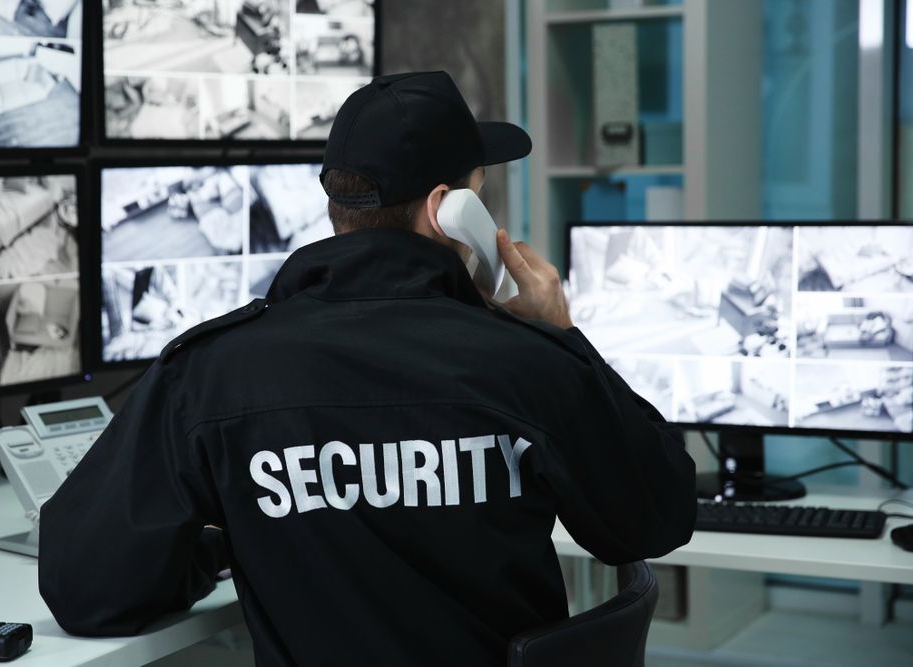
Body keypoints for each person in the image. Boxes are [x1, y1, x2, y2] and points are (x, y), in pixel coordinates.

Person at [39, 71, 696, 666]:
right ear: (450, 212)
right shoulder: (525, 362)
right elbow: (658, 515)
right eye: (479, 194)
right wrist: (563, 334)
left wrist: (226, 538)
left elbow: (85, 587)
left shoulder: (210, 372)